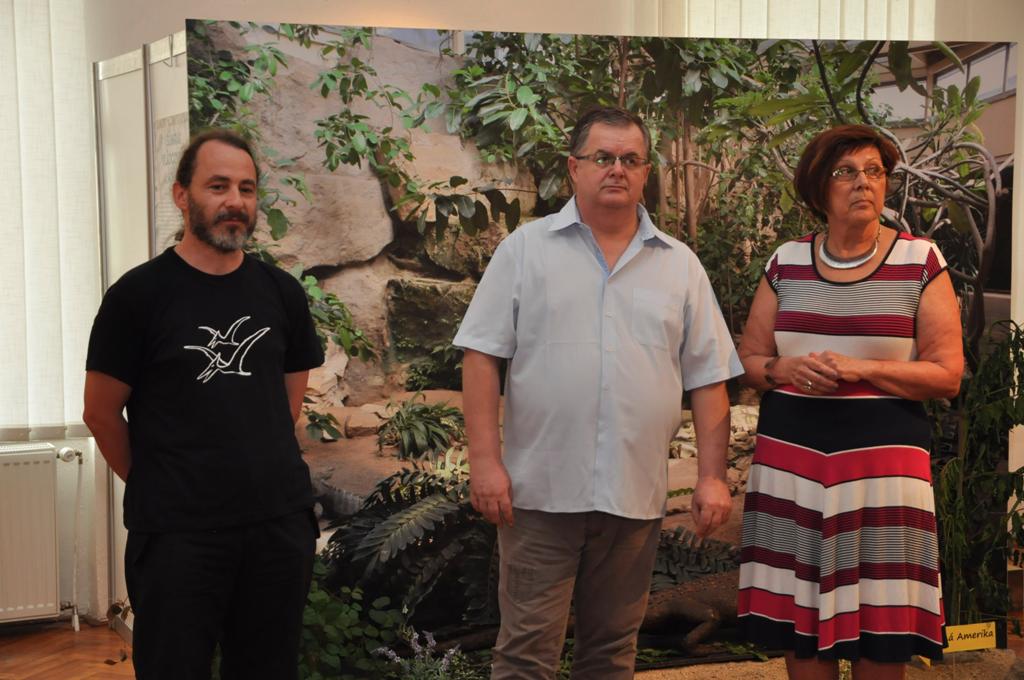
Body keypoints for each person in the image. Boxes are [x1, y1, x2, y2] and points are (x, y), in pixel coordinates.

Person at [454, 106, 744, 679]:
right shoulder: (525, 250)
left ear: (646, 172)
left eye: (631, 159)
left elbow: (708, 377)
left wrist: (712, 477)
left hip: (633, 498)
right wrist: (485, 463)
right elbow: (481, 356)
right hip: (540, 494)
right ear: (574, 167)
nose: (617, 169)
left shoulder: (680, 266)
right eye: (603, 157)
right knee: (525, 653)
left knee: (611, 652)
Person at [82, 129, 325, 680]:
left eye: (246, 188)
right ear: (181, 195)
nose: (235, 200)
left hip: (277, 527)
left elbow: (285, 405)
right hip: (177, 535)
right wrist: (159, 480)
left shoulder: (282, 293)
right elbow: (99, 412)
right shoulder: (137, 297)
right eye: (218, 186)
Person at [736, 124, 964, 679]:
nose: (863, 182)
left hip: (883, 475)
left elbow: (947, 375)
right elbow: (748, 359)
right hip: (792, 471)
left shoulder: (920, 259)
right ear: (819, 188)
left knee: (880, 628)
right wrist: (783, 369)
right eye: (846, 172)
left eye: (874, 171)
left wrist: (861, 369)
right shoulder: (786, 260)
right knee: (798, 623)